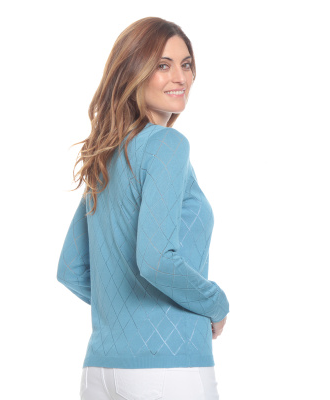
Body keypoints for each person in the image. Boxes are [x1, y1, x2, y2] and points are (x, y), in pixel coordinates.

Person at [56, 16, 230, 400]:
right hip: (168, 370)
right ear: (133, 72)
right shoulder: (167, 145)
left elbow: (71, 269)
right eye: (162, 65)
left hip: (100, 371)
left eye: (186, 64)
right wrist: (216, 304)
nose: (180, 77)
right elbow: (156, 261)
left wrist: (127, 311)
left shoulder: (105, 158)